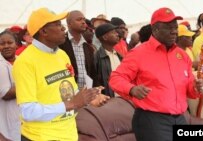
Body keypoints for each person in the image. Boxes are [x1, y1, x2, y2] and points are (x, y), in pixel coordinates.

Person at [109, 7, 203, 141]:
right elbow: (116, 78)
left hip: (179, 118)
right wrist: (132, 89)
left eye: (175, 27)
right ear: (155, 30)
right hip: (152, 120)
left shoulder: (182, 55)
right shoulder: (138, 54)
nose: (173, 31)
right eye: (168, 27)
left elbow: (189, 88)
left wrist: (196, 88)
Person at [12, 7, 102, 140]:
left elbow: (71, 90)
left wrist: (88, 98)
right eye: (58, 25)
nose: (63, 29)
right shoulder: (25, 62)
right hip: (40, 137)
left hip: (68, 134)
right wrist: (71, 104)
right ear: (44, 31)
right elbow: (28, 111)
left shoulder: (62, 54)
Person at [0, 31, 21, 141]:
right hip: (4, 121)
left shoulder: (22, 61)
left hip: (22, 118)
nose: (6, 46)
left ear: (16, 44)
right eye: (2, 43)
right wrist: (32, 85)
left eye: (10, 42)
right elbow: (6, 94)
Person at [94, 23, 122, 97]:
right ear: (105, 37)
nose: (117, 34)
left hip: (123, 99)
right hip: (108, 101)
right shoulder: (96, 58)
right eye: (113, 32)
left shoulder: (119, 56)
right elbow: (95, 82)